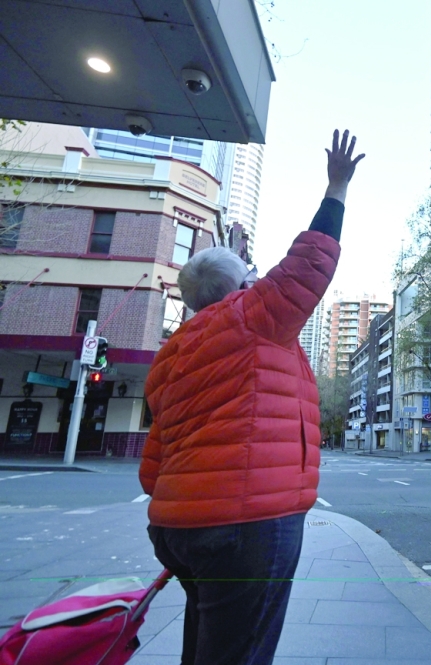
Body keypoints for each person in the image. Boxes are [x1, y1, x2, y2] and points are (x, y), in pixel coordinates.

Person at [139, 130, 364, 665]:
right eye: (250, 275)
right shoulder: (253, 319)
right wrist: (336, 188)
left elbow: (154, 463)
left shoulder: (174, 352)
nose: (259, 278)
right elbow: (308, 265)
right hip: (246, 526)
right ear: (239, 290)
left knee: (210, 646)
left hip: (179, 527)